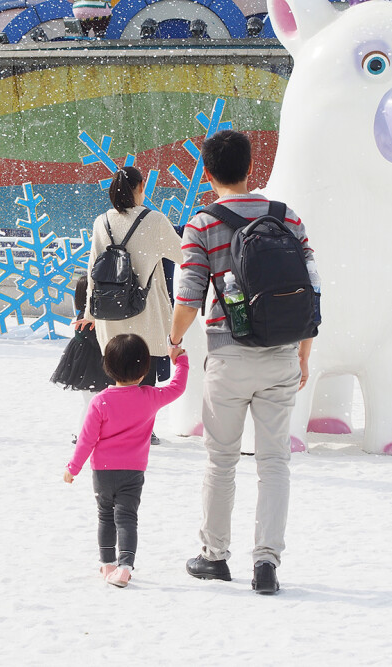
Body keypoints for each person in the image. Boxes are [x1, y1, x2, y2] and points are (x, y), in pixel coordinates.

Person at [168, 129, 320, 595]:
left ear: (208, 173)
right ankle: (267, 562)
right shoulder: (286, 217)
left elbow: (190, 296)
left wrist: (172, 341)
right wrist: (303, 352)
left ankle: (215, 557)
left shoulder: (202, 224)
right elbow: (312, 288)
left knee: (221, 462)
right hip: (280, 354)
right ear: (252, 168)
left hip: (229, 354)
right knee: (274, 462)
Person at [64, 333, 189, 588]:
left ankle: (107, 562)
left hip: (103, 471)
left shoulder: (101, 401)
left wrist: (73, 468)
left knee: (105, 517)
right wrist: (181, 361)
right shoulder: (149, 396)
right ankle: (124, 567)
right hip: (133, 470)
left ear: (108, 368)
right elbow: (177, 387)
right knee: (127, 518)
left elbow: (86, 440)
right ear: (144, 369)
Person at [81, 166, 183, 444]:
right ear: (140, 188)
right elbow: (183, 254)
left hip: (110, 309)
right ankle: (142, 430)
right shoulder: (155, 220)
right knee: (144, 372)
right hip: (144, 310)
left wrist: (90, 311)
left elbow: (93, 268)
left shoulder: (101, 221)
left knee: (117, 373)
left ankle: (116, 427)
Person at [51, 275, 113, 441]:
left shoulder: (85, 315)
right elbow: (96, 340)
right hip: (90, 365)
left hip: (84, 363)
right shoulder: (88, 317)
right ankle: (83, 434)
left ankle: (85, 433)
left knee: (91, 402)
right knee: (92, 402)